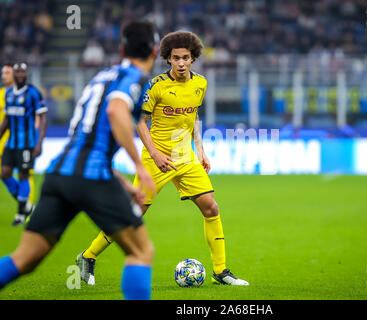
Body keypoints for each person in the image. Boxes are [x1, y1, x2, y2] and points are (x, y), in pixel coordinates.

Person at [0, 20, 159, 300]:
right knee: (141, 251)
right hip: (91, 177)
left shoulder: (101, 77)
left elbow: (87, 142)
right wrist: (138, 165)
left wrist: (123, 184)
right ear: (155, 51)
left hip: (60, 174)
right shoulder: (135, 79)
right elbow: (115, 110)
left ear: (121, 48)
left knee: (26, 258)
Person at [77, 30, 249, 286]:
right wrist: (155, 154)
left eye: (186, 58)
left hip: (186, 156)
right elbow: (140, 122)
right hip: (156, 157)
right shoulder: (155, 86)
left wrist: (200, 149)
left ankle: (221, 271)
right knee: (135, 212)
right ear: (168, 59)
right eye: (176, 58)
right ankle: (88, 256)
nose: (181, 63)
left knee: (211, 207)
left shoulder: (200, 83)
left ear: (193, 58)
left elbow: (193, 117)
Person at [0, 62, 46, 226]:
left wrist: (39, 142)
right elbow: (7, 118)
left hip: (27, 143)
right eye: (17, 72)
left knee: (23, 175)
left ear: (27, 74)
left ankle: (21, 213)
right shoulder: (8, 94)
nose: (20, 75)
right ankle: (25, 205)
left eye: (22, 72)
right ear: (14, 74)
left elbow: (43, 118)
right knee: (4, 173)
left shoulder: (34, 93)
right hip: (11, 143)